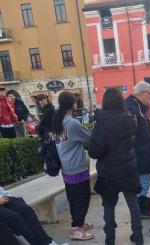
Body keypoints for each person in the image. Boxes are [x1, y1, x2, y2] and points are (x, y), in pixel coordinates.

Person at [89, 88, 143, 245]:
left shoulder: (101, 123)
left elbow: (94, 152)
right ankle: (138, 236)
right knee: (133, 202)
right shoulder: (131, 119)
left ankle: (110, 238)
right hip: (128, 168)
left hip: (108, 171)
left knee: (108, 205)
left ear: (105, 101)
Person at [51, 92, 94, 241]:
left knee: (73, 197)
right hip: (77, 167)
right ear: (73, 104)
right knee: (83, 197)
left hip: (66, 167)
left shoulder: (58, 120)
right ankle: (76, 228)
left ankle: (78, 223)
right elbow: (89, 138)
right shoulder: (72, 123)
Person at [124, 81, 150, 207]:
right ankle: (140, 209)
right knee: (144, 180)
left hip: (141, 150)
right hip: (139, 151)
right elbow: (132, 131)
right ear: (142, 93)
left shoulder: (137, 106)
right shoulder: (132, 107)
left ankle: (139, 208)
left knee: (142, 181)